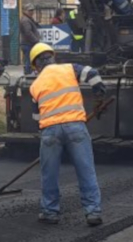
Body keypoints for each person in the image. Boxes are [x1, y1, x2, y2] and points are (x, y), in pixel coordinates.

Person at [28, 42, 106, 226]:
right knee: (86, 169)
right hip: (75, 127)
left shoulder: (35, 84)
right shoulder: (70, 69)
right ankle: (93, 212)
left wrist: (46, 134)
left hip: (50, 131)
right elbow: (93, 74)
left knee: (49, 173)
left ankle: (50, 211)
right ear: (52, 57)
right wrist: (99, 95)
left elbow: (36, 117)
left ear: (36, 65)